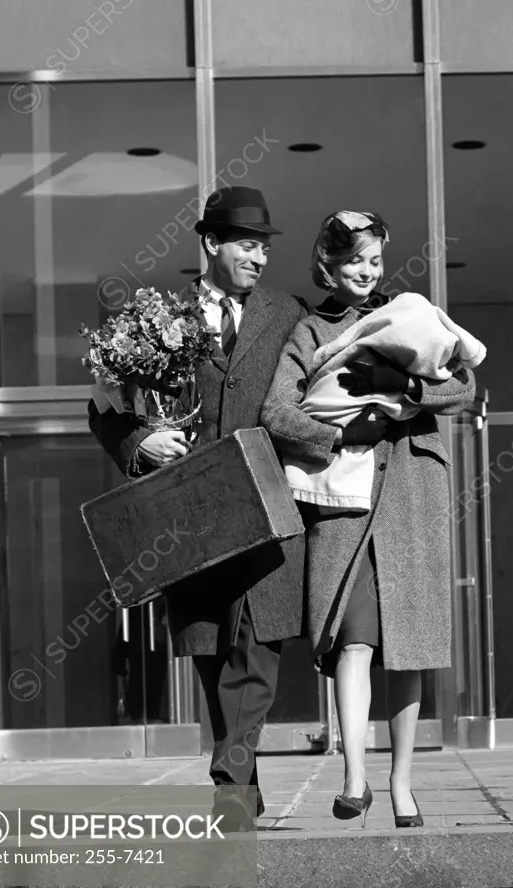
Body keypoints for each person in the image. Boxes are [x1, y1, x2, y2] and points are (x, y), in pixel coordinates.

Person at [88, 186, 307, 830]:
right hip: (193, 516)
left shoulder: (288, 312)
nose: (259, 257)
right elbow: (103, 405)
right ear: (211, 243)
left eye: (264, 247)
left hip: (268, 509)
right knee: (217, 655)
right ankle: (244, 784)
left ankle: (229, 788)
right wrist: (138, 440)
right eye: (246, 244)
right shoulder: (156, 319)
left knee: (258, 650)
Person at [261, 211, 476, 828]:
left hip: (411, 492)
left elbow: (463, 384)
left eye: (375, 260)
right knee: (350, 641)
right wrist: (338, 434)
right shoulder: (309, 331)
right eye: (354, 260)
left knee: (408, 648)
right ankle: (355, 777)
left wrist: (405, 388)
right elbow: (276, 411)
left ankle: (402, 782)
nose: (366, 271)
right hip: (344, 505)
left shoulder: (411, 313)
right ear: (327, 265)